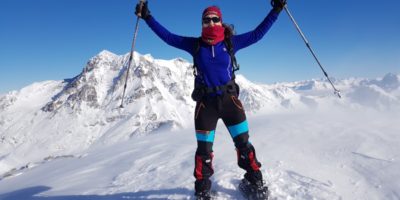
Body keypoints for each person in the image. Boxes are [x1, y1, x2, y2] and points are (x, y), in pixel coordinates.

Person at [135, 1, 286, 199]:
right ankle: (203, 190)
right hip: (206, 106)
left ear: (221, 21)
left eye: (215, 19)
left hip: (230, 102)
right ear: (202, 24)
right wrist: (148, 17)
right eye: (206, 20)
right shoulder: (195, 45)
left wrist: (276, 10)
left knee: (243, 144)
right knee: (204, 152)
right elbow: (168, 38)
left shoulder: (231, 43)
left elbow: (258, 34)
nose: (211, 23)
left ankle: (255, 182)